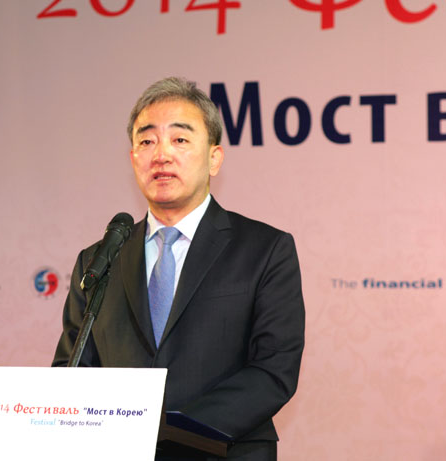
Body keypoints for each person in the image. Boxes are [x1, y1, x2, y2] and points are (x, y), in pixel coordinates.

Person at [53, 77, 305, 460]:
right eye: (147, 141)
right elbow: (72, 368)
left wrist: (170, 429)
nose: (161, 155)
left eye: (180, 140)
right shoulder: (98, 260)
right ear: (133, 157)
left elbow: (273, 370)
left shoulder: (265, 249)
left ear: (214, 158)